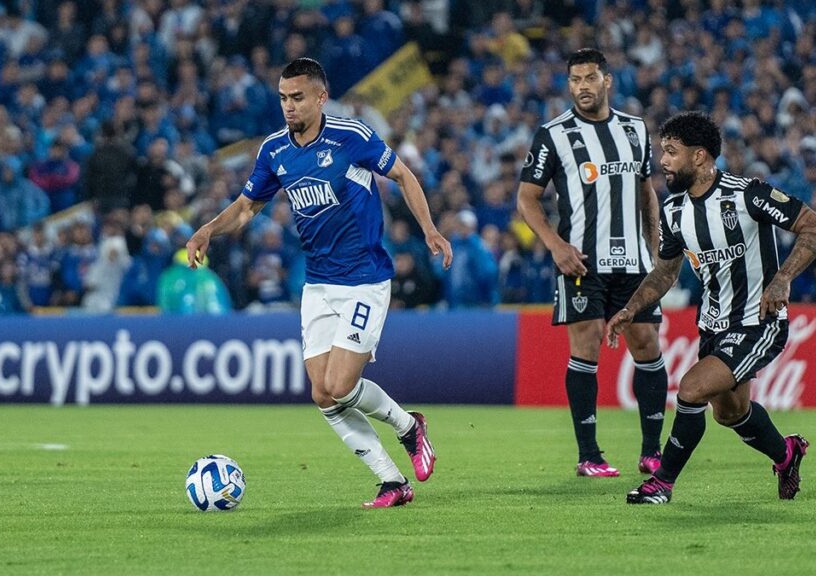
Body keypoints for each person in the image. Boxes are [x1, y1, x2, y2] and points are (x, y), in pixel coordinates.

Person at [186, 58, 452, 508]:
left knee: (342, 384)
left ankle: (409, 427)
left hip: (365, 280)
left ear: (320, 97)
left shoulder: (353, 137)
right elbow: (247, 207)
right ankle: (391, 482)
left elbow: (403, 175)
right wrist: (207, 229)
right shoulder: (274, 150)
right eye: (284, 98)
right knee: (322, 393)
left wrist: (428, 228)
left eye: (298, 97)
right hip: (319, 284)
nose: (289, 106)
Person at [607, 112, 816, 504]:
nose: (663, 161)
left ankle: (661, 484)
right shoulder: (674, 211)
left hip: (758, 322)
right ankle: (787, 454)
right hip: (713, 325)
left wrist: (782, 278)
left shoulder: (748, 194)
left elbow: (815, 227)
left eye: (672, 152)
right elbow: (664, 273)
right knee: (729, 413)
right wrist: (631, 308)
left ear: (700, 157)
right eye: (663, 152)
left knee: (691, 390)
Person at [516, 48, 669, 478]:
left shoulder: (636, 130)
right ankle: (589, 455)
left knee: (647, 347)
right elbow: (527, 198)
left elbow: (645, 193)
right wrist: (555, 246)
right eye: (574, 80)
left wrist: (656, 253)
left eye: (589, 78)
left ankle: (652, 452)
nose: (582, 87)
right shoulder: (554, 134)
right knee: (586, 347)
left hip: (634, 263)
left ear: (607, 81)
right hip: (582, 261)